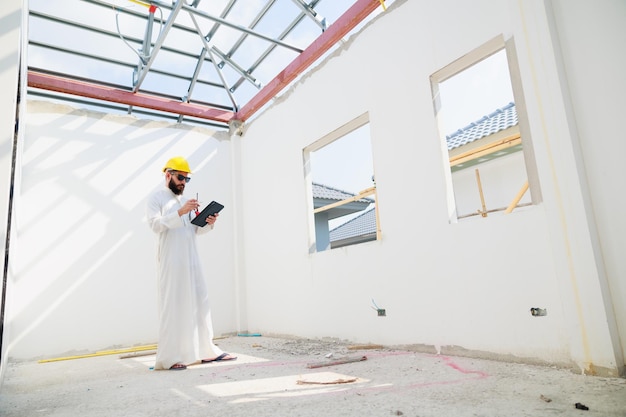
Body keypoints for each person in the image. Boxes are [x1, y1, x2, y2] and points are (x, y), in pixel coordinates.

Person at [146, 156, 236, 370]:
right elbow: (155, 225)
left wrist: (207, 222)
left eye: (186, 179)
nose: (183, 183)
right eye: (180, 178)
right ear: (167, 175)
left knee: (200, 302)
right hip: (172, 261)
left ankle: (207, 351)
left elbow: (195, 230)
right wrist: (180, 212)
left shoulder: (185, 201)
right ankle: (170, 358)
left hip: (191, 260)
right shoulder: (157, 198)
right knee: (173, 305)